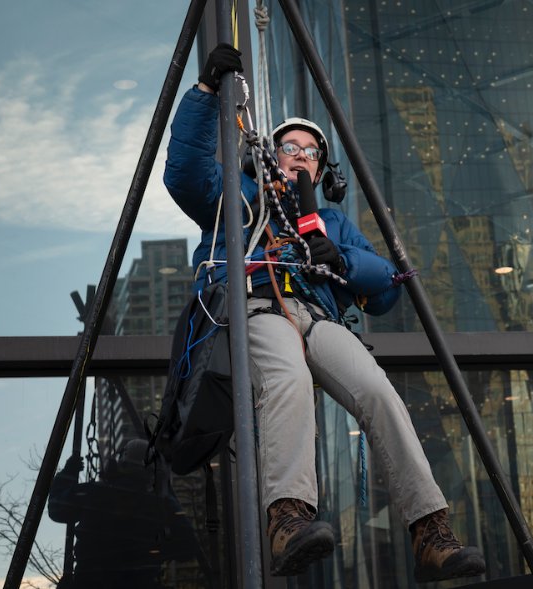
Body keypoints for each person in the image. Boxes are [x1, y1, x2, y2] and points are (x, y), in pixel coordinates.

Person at [164, 43, 486, 582]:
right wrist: (204, 93)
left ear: (320, 169)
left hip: (317, 317)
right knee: (286, 377)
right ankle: (287, 517)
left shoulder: (333, 222)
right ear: (269, 156)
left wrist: (342, 259)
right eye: (290, 146)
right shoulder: (239, 196)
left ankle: (430, 530)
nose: (301, 155)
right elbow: (184, 173)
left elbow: (386, 289)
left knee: (378, 390)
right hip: (258, 307)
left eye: (311, 152)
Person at [48, 439, 197, 589]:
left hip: (89, 583)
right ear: (150, 473)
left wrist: (67, 473)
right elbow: (187, 548)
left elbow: (56, 508)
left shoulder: (95, 493)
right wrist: (166, 491)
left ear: (120, 464)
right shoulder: (158, 506)